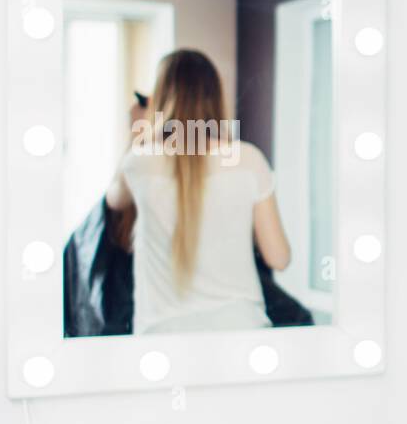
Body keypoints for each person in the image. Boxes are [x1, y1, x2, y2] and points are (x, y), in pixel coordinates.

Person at [105, 49, 292, 334]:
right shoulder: (247, 158)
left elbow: (114, 200)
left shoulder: (139, 161)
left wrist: (138, 129)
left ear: (161, 97)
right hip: (241, 329)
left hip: (163, 335)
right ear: (214, 97)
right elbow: (279, 258)